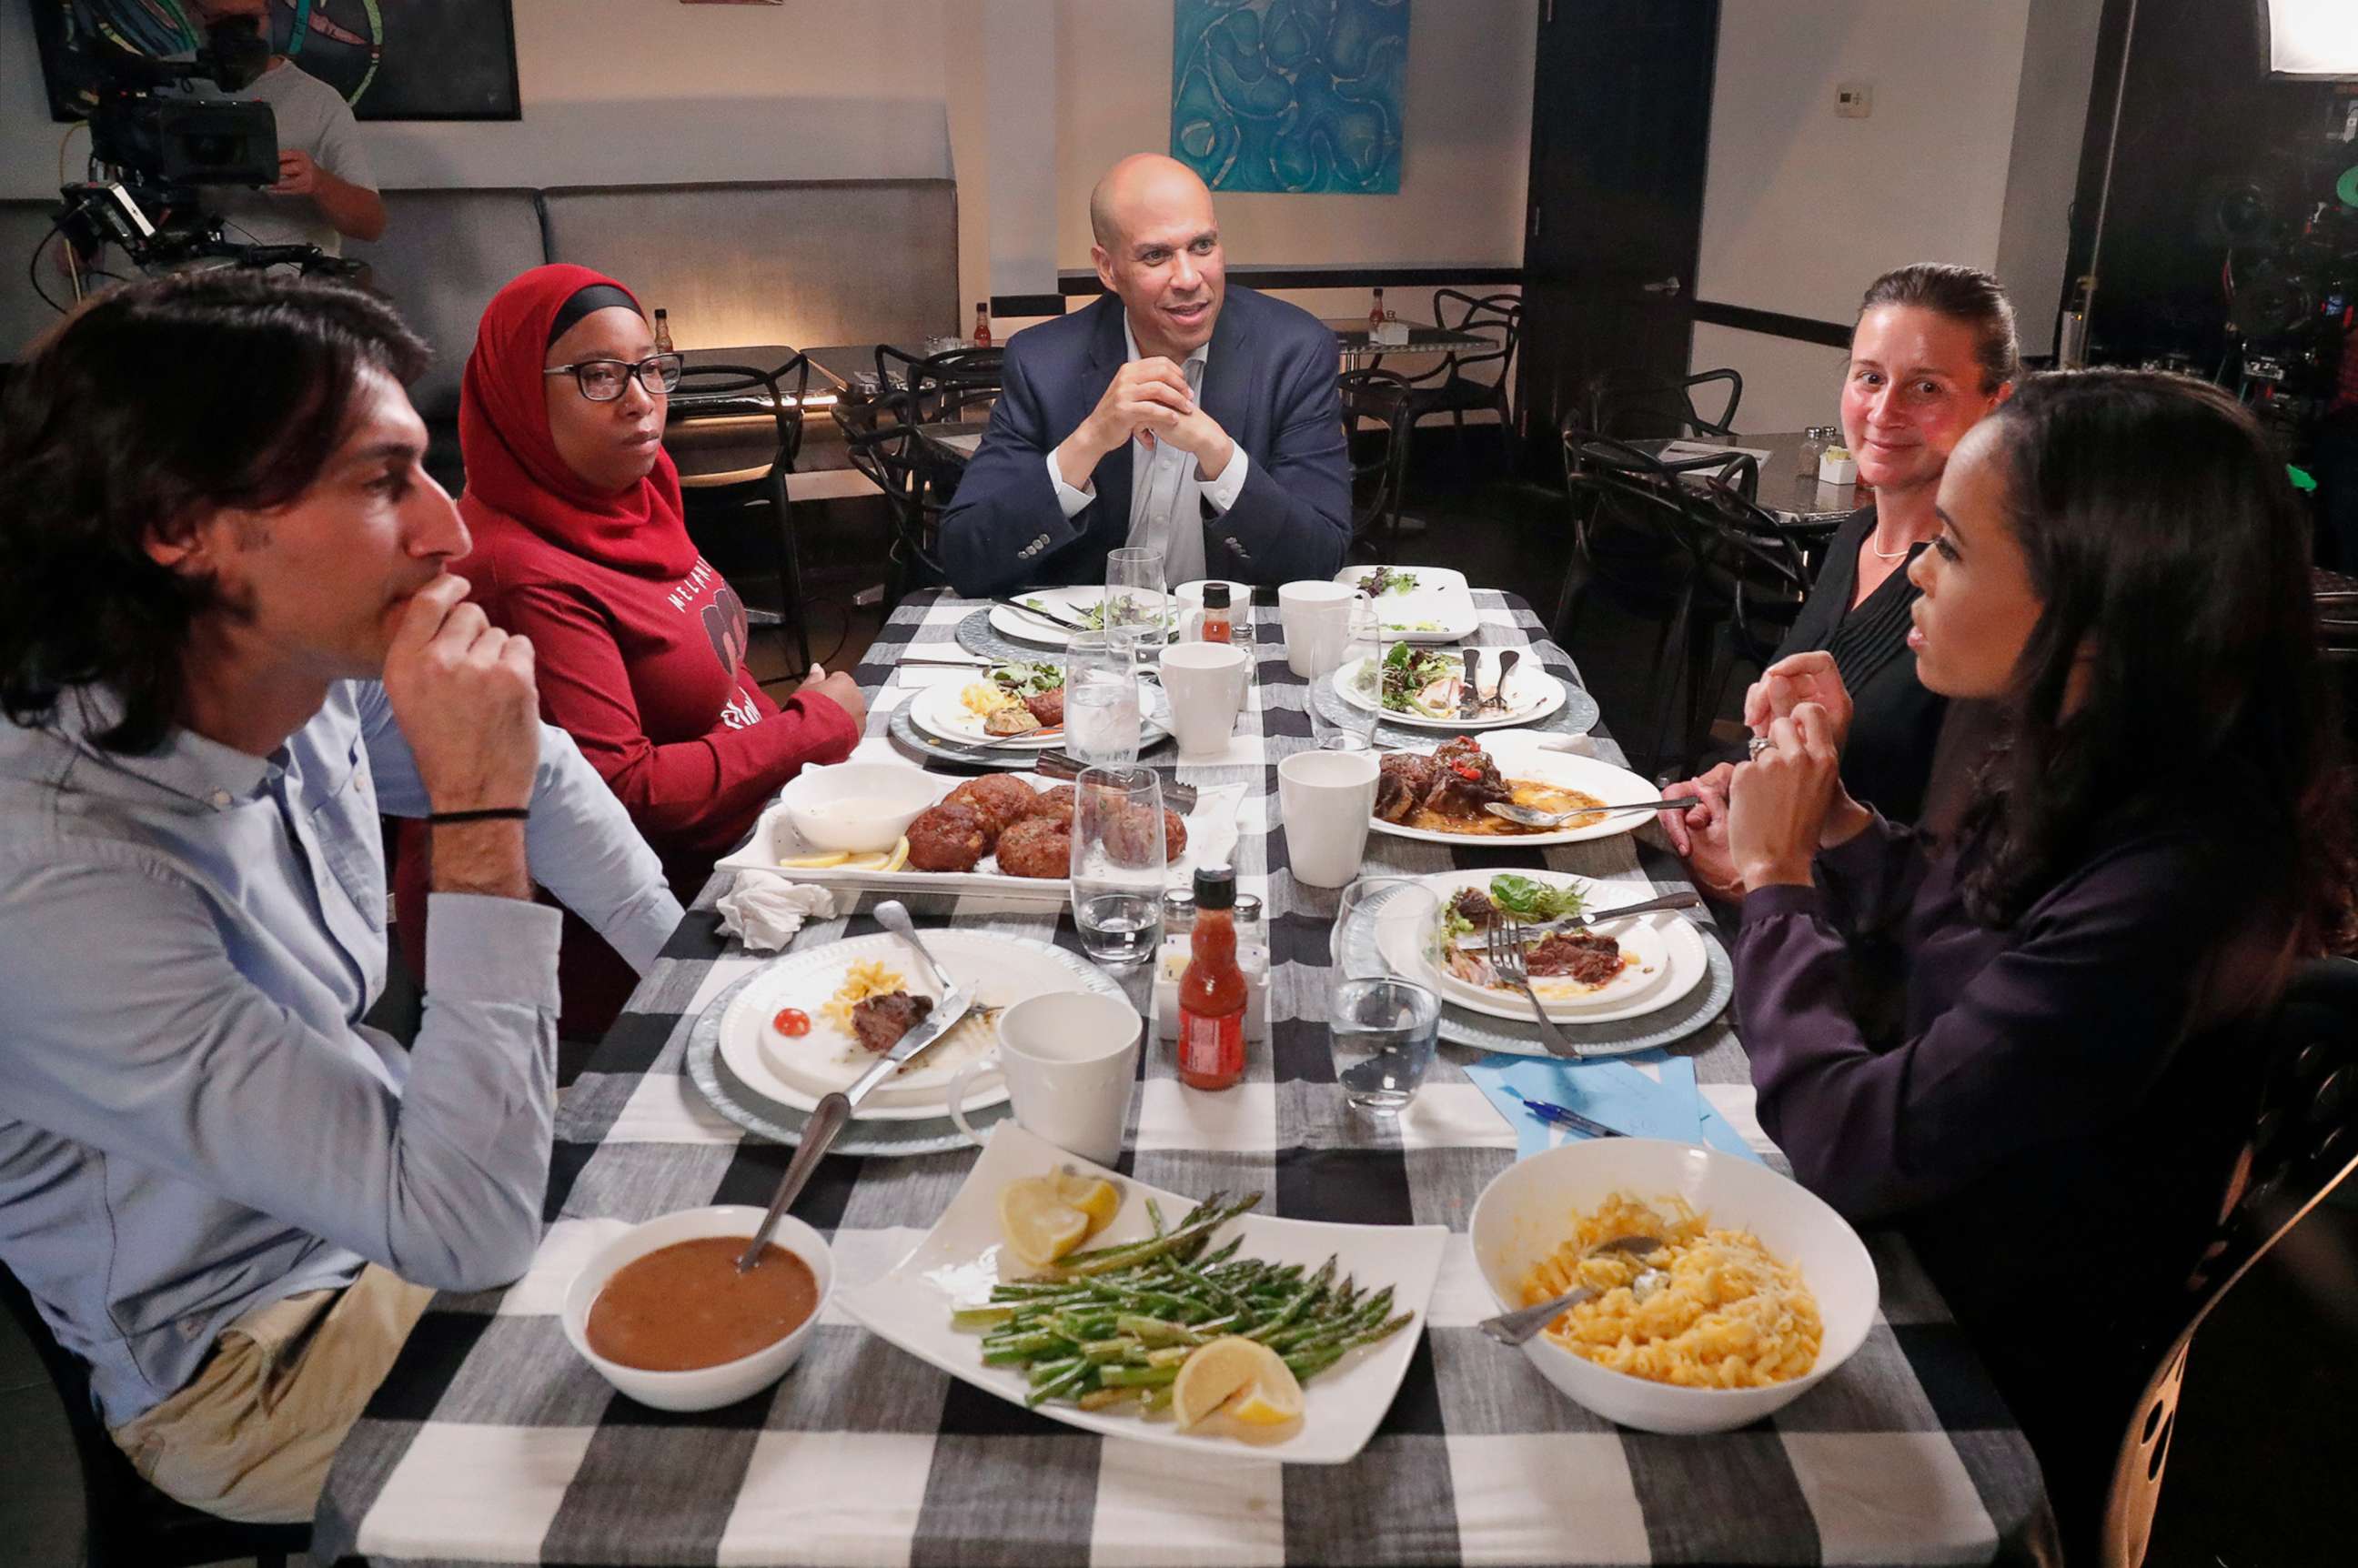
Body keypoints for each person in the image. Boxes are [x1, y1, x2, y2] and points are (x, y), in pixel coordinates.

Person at [0, 270, 683, 1523]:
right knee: (725, 1400)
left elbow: (545, 770)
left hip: (400, 1193)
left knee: (749, 1195)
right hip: (252, 1359)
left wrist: (695, 976)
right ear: (180, 523)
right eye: (382, 482)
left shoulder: (295, 662)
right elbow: (466, 1229)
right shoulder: (52, 879)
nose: (451, 531)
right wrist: (472, 817)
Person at [1724, 369, 2354, 1553]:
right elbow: (1964, 906)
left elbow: (1852, 1139)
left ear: (2095, 613)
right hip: (1924, 1231)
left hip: (1986, 1366)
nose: (1913, 570)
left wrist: (1777, 883)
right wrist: (1841, 823)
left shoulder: (2179, 881)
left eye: (1953, 550)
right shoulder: (2081, 734)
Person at [391, 265, 864, 1042]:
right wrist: (809, 730)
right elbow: (623, 790)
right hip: (611, 957)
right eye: (598, 376)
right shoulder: (520, 569)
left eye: (650, 368)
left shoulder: (633, 494)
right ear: (518, 393)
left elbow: (702, 659)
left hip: (729, 855)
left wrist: (783, 730)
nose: (643, 399)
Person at [1663, 264, 2018, 897]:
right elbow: (1799, 752)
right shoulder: (1850, 538)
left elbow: (1951, 876)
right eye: (1871, 377)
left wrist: (1764, 871)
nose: (1885, 411)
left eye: (1927, 388)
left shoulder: (1988, 604)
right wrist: (1735, 785)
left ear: (1997, 404)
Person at [938, 153, 1351, 596]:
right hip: (1088, 645)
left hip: (1231, 644)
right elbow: (968, 561)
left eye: (1202, 246)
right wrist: (1090, 439)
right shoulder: (1044, 362)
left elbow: (1318, 561)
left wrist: (1217, 453)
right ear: (1108, 268)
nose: (1190, 278)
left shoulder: (1293, 352)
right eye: (1156, 255)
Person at [186, 0, 386, 255]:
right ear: (192, 13)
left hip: (286, 280)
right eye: (221, 18)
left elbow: (371, 225)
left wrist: (318, 183)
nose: (236, 32)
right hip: (186, 280)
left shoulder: (317, 100)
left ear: (268, 14)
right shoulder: (165, 81)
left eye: (249, 18)